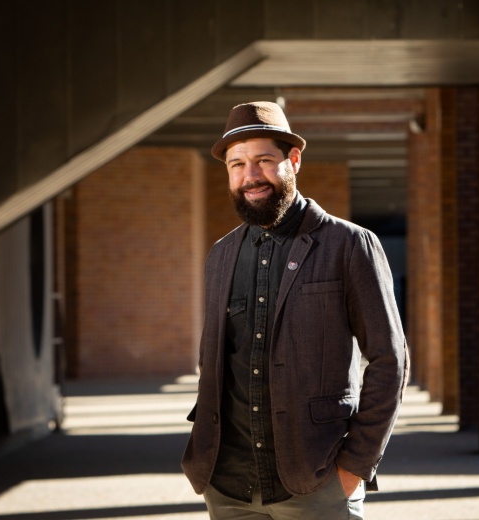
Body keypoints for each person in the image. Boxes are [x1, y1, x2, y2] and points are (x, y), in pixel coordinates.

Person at [181, 101, 409, 520]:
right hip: (227, 484)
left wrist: (354, 467)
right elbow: (211, 361)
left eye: (264, 160)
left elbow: (390, 360)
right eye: (237, 165)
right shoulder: (220, 255)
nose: (250, 176)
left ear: (294, 160)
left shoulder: (349, 245)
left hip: (316, 480)